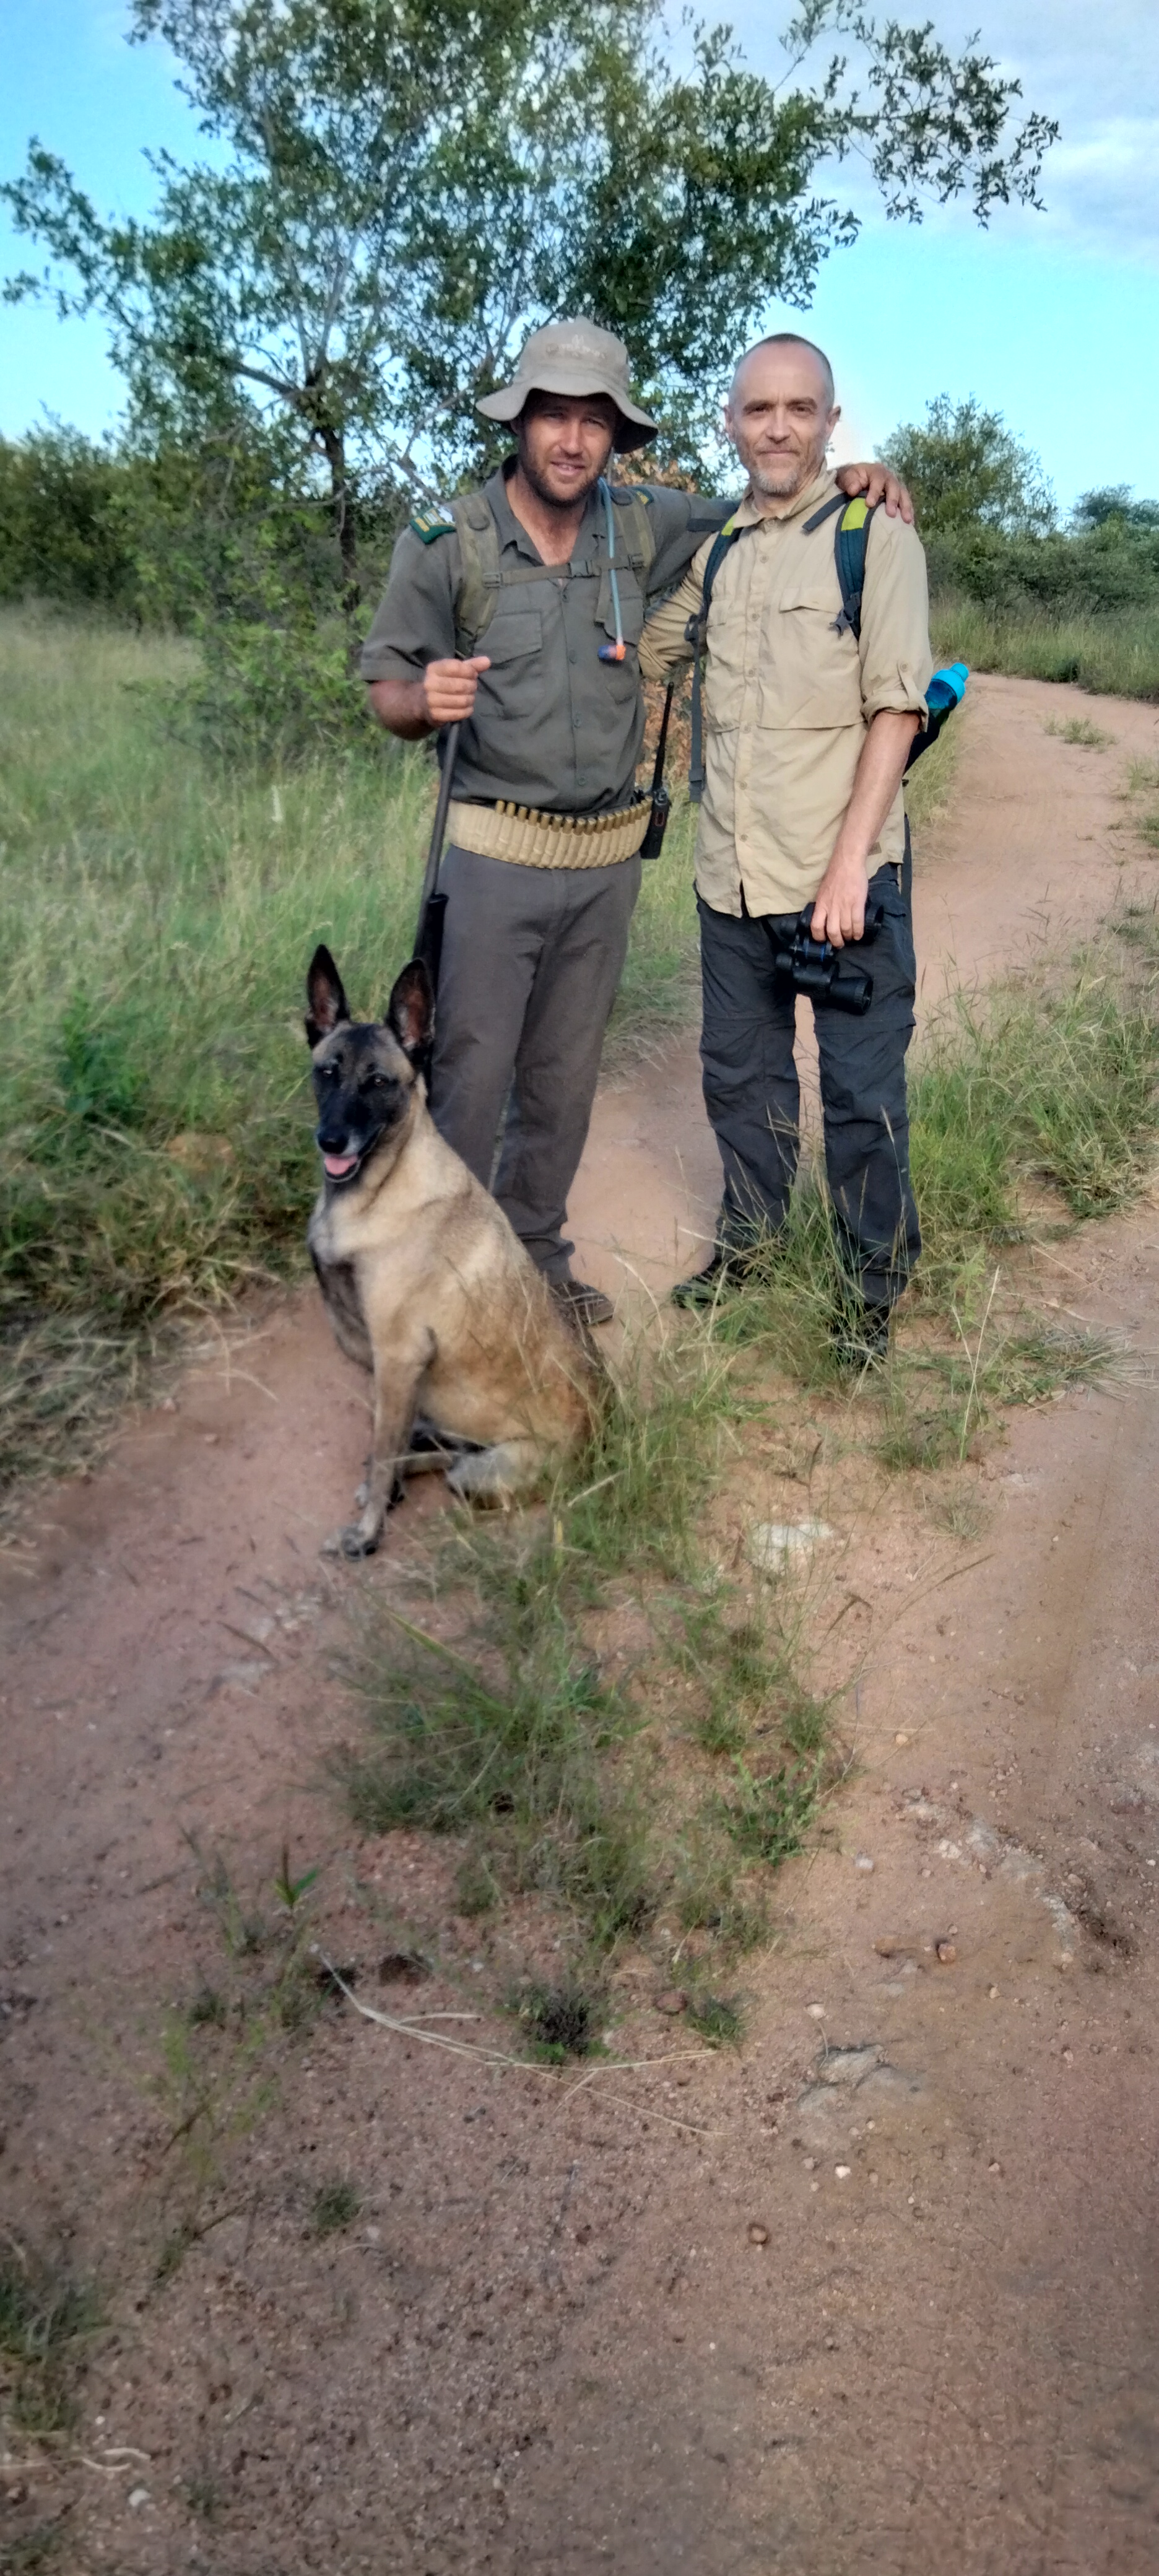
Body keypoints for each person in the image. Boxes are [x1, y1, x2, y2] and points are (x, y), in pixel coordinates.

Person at [362, 318, 911, 1328]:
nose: (572, 442)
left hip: (606, 868)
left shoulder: (647, 523)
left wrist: (861, 475)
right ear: (519, 421)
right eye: (552, 418)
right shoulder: (448, 544)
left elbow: (771, 495)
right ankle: (437, 1288)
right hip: (492, 859)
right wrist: (418, 698)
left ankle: (535, 1262)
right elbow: (385, 685)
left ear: (617, 433)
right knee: (468, 1083)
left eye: (593, 422)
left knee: (563, 1083)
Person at [639, 331, 932, 1359]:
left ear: (831, 422)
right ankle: (753, 1247)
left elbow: (898, 708)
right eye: (758, 409)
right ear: (731, 421)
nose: (777, 428)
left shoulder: (874, 536)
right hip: (731, 877)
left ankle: (874, 1283)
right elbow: (649, 649)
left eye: (799, 410)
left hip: (840, 879)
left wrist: (852, 862)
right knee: (740, 1078)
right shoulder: (716, 554)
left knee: (860, 1095)